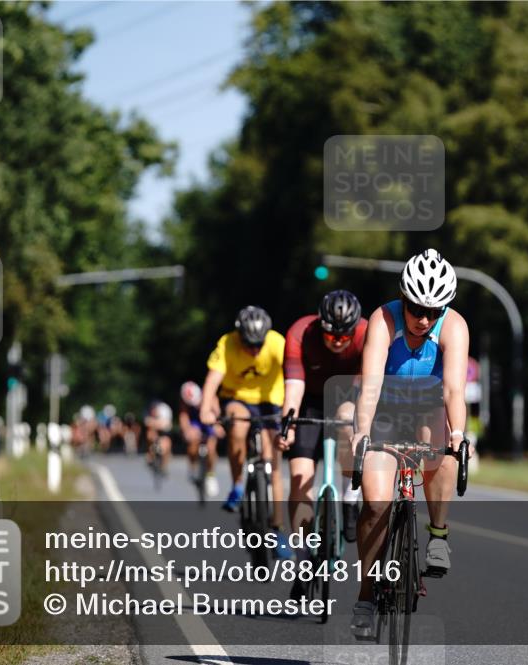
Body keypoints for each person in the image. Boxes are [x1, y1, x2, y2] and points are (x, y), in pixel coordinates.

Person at [348, 249, 470, 638]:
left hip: (429, 409)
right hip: (385, 410)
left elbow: (453, 389)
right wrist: (362, 433)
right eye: (416, 308)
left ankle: (438, 534)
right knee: (376, 503)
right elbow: (370, 386)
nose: (423, 319)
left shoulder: (454, 326)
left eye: (433, 311)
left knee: (446, 447)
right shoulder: (382, 320)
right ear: (403, 299)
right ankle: (366, 595)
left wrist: (458, 434)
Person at [275, 290, 367, 599]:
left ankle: (350, 497)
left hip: (347, 396)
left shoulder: (367, 333)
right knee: (300, 479)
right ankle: (303, 561)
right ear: (320, 324)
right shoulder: (301, 332)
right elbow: (294, 386)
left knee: (346, 418)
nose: (338, 340)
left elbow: (366, 384)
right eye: (331, 334)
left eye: (345, 335)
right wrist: (287, 424)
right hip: (310, 402)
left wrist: (359, 423)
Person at [199, 305, 293, 559]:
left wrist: (290, 412)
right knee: (237, 427)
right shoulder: (227, 343)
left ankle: (277, 528)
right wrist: (206, 407)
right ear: (239, 336)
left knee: (272, 459)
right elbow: (212, 380)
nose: (253, 350)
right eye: (248, 344)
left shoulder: (276, 343)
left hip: (270, 400)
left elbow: (293, 375)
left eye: (258, 345)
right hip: (237, 398)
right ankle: (238, 484)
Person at [180, 380, 219, 498]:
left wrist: (218, 425)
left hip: (209, 422)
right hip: (195, 423)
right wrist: (187, 430)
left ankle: (211, 475)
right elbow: (184, 417)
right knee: (192, 444)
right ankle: (192, 467)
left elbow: (217, 413)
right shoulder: (185, 402)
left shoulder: (209, 395)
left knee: (211, 448)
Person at [144, 400, 174, 474]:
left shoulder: (164, 412)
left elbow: (167, 426)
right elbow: (147, 423)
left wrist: (155, 424)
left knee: (167, 444)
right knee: (150, 434)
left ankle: (164, 466)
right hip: (155, 435)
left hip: (164, 435)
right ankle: (150, 454)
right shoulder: (149, 413)